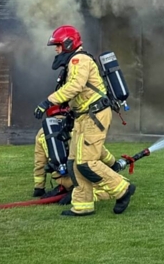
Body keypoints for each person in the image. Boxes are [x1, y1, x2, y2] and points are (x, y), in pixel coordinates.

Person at [34, 25, 136, 216]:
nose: (56, 50)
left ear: (68, 43)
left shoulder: (79, 60)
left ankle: (122, 189)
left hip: (94, 116)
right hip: (83, 117)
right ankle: (82, 206)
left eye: (57, 46)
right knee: (74, 163)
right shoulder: (73, 61)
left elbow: (75, 86)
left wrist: (48, 102)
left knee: (87, 162)